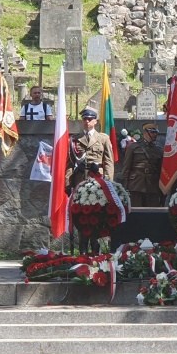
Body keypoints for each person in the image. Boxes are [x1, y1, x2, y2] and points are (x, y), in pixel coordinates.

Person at [66, 108, 115, 252]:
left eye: (90, 119)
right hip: (80, 181)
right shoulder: (75, 139)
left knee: (97, 213)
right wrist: (68, 182)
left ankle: (95, 246)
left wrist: (108, 182)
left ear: (96, 121)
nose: (87, 122)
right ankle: (82, 247)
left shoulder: (103, 138)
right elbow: (69, 163)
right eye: (84, 119)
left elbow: (109, 162)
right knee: (81, 214)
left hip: (98, 182)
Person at [121, 123, 164, 206]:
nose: (155, 134)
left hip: (152, 186)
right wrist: (124, 188)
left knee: (151, 213)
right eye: (152, 132)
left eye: (156, 133)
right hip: (135, 185)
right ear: (145, 132)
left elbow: (160, 170)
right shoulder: (133, 147)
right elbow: (126, 168)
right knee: (136, 213)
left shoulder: (159, 150)